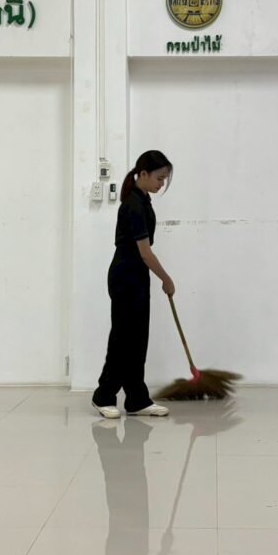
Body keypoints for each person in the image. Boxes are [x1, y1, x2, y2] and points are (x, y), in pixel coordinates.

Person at [92, 151, 175, 418]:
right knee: (123, 338)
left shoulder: (143, 200)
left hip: (137, 275)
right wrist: (166, 278)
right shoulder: (134, 205)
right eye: (159, 178)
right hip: (126, 275)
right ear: (143, 174)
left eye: (164, 179)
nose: (161, 183)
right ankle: (103, 396)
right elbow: (145, 252)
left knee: (138, 338)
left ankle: (137, 399)